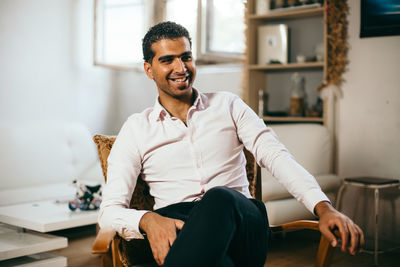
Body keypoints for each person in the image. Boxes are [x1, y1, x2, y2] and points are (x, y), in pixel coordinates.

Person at [99, 21, 364, 267]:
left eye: (186, 57)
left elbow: (276, 156)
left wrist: (323, 207)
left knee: (219, 196)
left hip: (242, 222)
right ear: (149, 69)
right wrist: (147, 219)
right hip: (179, 226)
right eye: (167, 60)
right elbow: (109, 211)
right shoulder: (136, 128)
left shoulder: (228, 105)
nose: (181, 69)